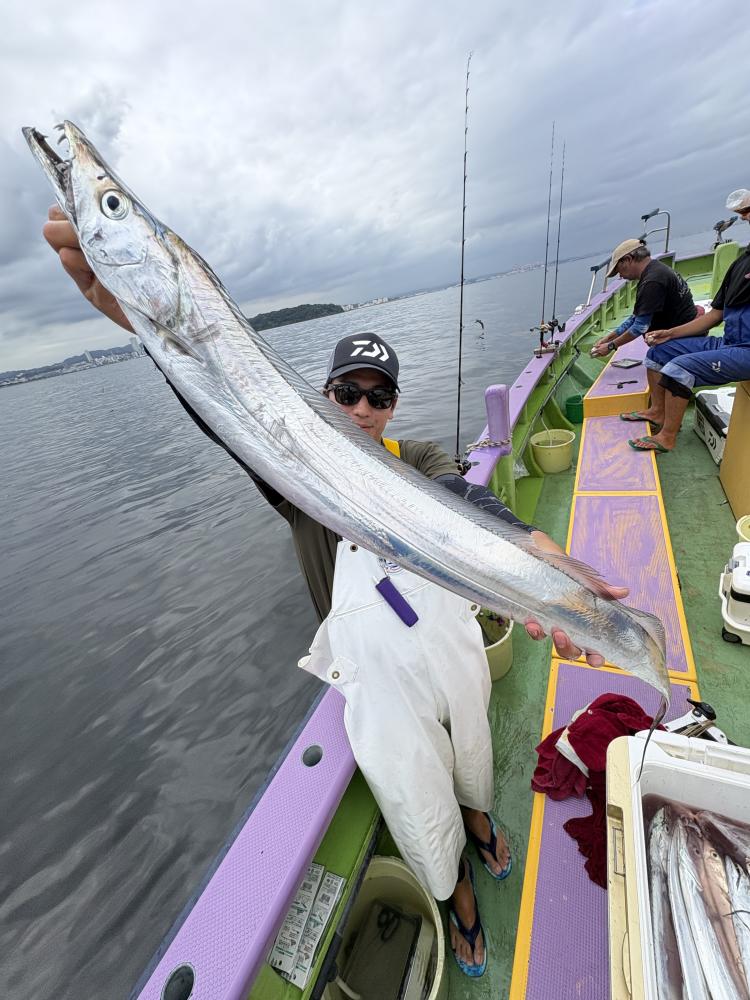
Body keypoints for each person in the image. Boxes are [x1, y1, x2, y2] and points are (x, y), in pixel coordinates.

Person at [42, 204, 628, 977]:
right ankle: (458, 893)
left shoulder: (419, 458)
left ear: (393, 406)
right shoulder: (298, 478)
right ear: (323, 397)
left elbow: (470, 506)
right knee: (418, 803)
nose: (360, 410)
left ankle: (484, 825)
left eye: (377, 397)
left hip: (448, 646)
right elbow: (229, 412)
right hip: (376, 682)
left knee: (473, 752)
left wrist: (546, 564)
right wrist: (151, 327)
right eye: (346, 393)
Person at [626, 189, 750, 453]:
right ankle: (657, 411)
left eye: (746, 212)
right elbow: (715, 315)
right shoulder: (740, 265)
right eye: (744, 213)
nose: (744, 217)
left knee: (680, 367)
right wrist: (670, 333)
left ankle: (667, 437)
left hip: (747, 351)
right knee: (659, 353)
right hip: (730, 342)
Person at [590, 238, 698, 363]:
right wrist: (609, 338)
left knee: (652, 360)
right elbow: (636, 317)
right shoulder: (656, 268)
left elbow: (640, 327)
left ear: (628, 259)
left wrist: (610, 346)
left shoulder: (652, 281)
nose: (620, 275)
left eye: (619, 270)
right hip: (686, 329)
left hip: (681, 338)